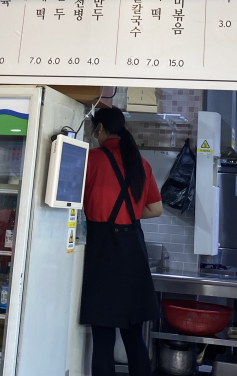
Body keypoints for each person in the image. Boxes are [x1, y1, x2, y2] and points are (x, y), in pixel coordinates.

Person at [80, 107, 163, 376]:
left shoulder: (91, 159)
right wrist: (130, 213)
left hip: (103, 250)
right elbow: (155, 209)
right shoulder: (141, 162)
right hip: (133, 251)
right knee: (134, 336)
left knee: (103, 339)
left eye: (95, 131)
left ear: (101, 129)